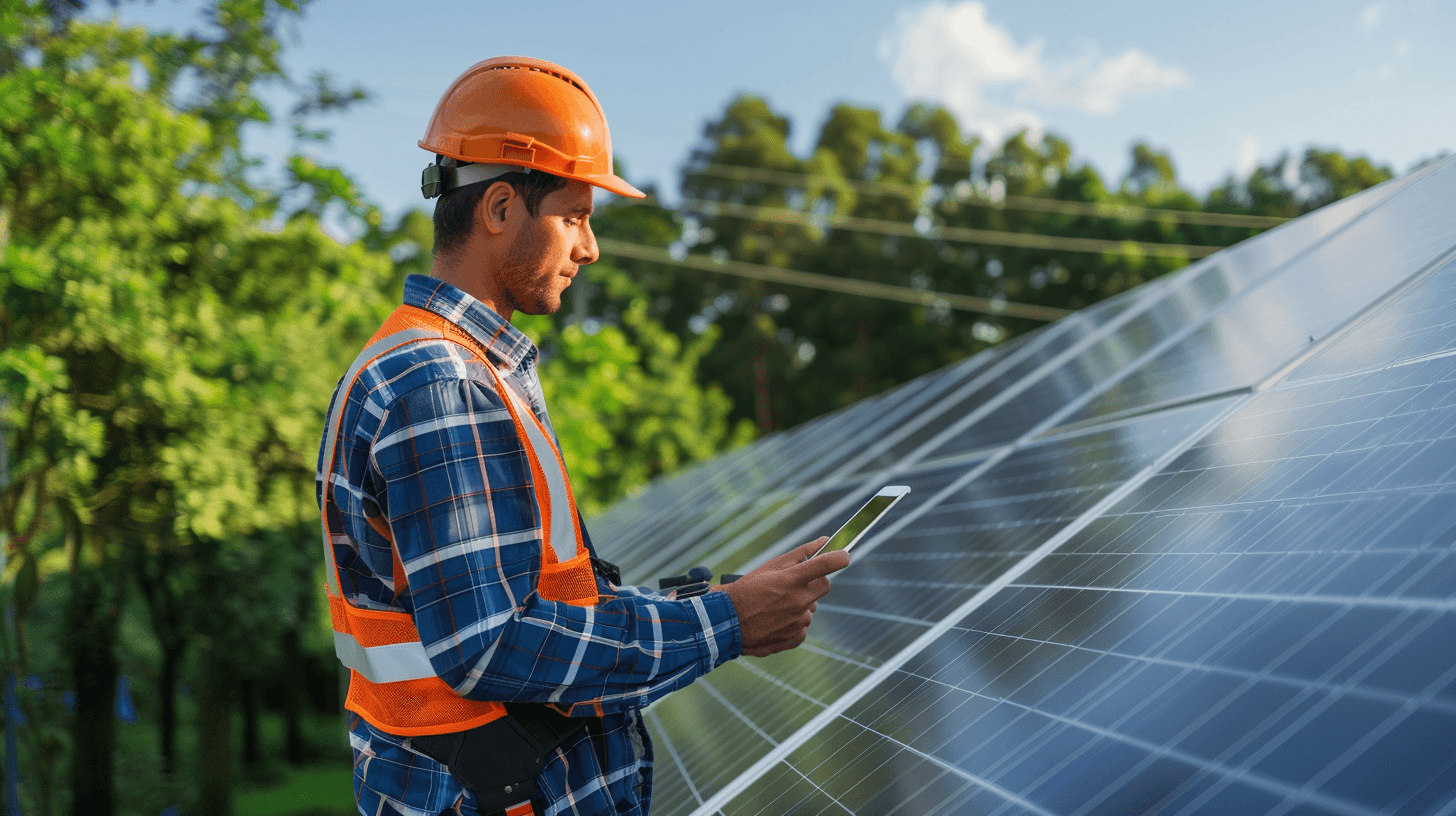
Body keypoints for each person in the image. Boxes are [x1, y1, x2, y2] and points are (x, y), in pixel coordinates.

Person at [316, 56, 850, 816]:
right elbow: (492, 645)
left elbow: (539, 600)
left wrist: (721, 598)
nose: (590, 247)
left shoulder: (450, 366)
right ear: (500, 208)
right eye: (575, 216)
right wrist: (727, 623)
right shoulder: (443, 384)